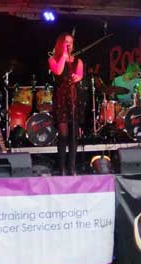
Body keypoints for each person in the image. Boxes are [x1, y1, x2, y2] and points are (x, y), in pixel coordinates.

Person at [48, 33, 84, 175]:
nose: (69, 44)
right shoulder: (52, 59)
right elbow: (58, 71)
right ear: (60, 44)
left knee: (74, 134)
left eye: (71, 42)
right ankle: (62, 167)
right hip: (61, 99)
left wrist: (77, 77)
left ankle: (72, 167)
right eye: (66, 42)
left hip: (74, 99)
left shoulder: (78, 61)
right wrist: (63, 55)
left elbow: (80, 75)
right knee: (63, 134)